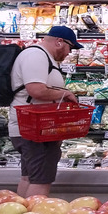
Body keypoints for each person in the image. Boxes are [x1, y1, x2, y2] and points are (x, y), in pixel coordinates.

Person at [9, 26, 82, 197]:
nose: (69, 53)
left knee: (29, 177)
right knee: (41, 180)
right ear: (59, 42)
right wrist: (65, 94)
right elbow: (37, 90)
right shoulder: (36, 56)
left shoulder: (40, 56)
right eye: (70, 47)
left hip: (34, 128)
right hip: (35, 130)